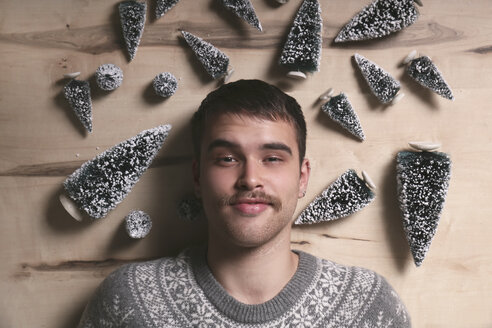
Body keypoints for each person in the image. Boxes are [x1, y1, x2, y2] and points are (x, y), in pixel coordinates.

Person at [78, 79, 411, 327]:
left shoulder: (368, 306)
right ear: (197, 177)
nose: (250, 178)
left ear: (303, 177)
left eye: (272, 158)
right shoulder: (128, 302)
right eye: (226, 158)